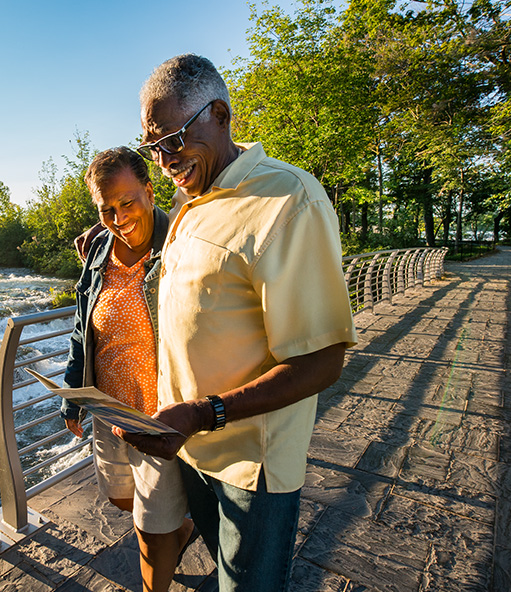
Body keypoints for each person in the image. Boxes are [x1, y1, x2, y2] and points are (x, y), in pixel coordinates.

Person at [116, 54, 358, 592]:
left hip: (251, 466)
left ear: (220, 115)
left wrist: (204, 413)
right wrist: (115, 230)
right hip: (188, 445)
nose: (163, 158)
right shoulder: (189, 199)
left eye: (173, 138)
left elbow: (321, 361)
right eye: (152, 145)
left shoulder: (289, 201)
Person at [60, 146, 195, 592]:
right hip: (107, 407)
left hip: (159, 415)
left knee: (148, 530)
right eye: (106, 209)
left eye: (127, 203)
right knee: (122, 500)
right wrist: (73, 393)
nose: (118, 217)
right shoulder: (97, 246)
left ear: (150, 192)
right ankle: (180, 526)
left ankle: (165, 544)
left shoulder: (180, 236)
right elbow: (83, 325)